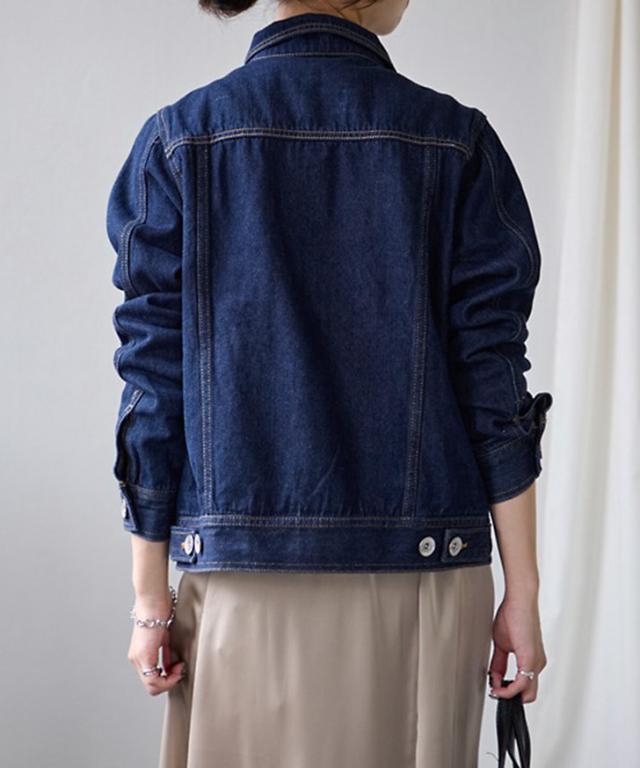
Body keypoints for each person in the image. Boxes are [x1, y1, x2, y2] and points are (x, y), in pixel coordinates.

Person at [105, 1, 553, 766]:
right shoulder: (457, 141)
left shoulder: (181, 141)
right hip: (427, 573)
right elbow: (494, 385)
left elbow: (152, 389)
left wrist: (150, 602)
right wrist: (524, 592)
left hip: (239, 581)